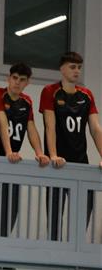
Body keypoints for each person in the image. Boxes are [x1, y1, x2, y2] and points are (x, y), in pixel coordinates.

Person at [40, 51, 102, 240]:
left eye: (79, 68)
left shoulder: (86, 95)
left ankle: (76, 250)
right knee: (55, 216)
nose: (77, 71)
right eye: (72, 67)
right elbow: (50, 126)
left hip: (80, 161)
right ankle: (55, 254)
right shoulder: (50, 91)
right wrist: (53, 155)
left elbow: (95, 129)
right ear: (62, 69)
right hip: (58, 164)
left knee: (83, 211)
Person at [0, 63, 49, 236]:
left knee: (10, 214)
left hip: (12, 165)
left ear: (27, 82)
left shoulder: (27, 101)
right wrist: (8, 152)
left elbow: (31, 128)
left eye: (22, 80)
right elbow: (2, 122)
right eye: (14, 78)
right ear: (8, 78)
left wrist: (39, 153)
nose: (17, 82)